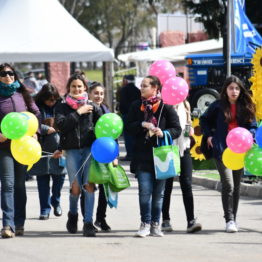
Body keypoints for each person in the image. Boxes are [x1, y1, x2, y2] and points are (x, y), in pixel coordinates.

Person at [126, 75, 182, 237]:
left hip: (161, 156)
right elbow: (128, 127)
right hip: (142, 155)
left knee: (159, 194)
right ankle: (145, 222)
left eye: (145, 85)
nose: (141, 88)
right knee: (144, 191)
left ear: (155, 88)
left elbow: (177, 129)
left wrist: (163, 132)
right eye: (141, 85)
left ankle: (156, 224)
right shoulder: (136, 106)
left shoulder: (166, 107)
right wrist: (142, 124)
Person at [200, 75, 257, 233]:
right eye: (231, 88)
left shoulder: (246, 106)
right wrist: (209, 135)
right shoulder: (217, 106)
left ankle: (234, 219)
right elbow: (204, 120)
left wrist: (250, 135)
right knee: (229, 184)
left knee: (237, 187)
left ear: (241, 90)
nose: (234, 91)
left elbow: (253, 126)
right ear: (225, 90)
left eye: (237, 88)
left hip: (239, 151)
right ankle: (229, 219)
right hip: (221, 149)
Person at [55, 73, 102, 237]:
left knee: (89, 186)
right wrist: (78, 112)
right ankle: (73, 214)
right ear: (69, 88)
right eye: (74, 86)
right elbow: (61, 126)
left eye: (80, 86)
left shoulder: (93, 107)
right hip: (72, 150)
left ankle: (88, 222)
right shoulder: (61, 106)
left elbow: (103, 128)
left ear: (85, 88)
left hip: (89, 150)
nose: (77, 89)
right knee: (75, 188)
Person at [0, 63, 41, 238]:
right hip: (4, 148)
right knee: (8, 185)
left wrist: (36, 133)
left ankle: (19, 223)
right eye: (3, 73)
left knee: (19, 185)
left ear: (15, 75)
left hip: (23, 147)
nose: (8, 76)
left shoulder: (22, 94)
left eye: (10, 73)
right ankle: (7, 225)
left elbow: (36, 114)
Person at [161, 100, 202, 233]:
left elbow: (188, 127)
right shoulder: (164, 105)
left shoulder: (186, 104)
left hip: (184, 148)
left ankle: (190, 220)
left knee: (187, 184)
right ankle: (165, 220)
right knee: (167, 185)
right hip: (168, 148)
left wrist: (189, 123)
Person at [29, 83, 66, 220]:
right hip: (41, 150)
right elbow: (31, 122)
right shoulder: (35, 107)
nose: (52, 102)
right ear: (43, 98)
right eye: (49, 99)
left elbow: (67, 122)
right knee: (42, 181)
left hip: (59, 149)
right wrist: (45, 129)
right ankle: (44, 209)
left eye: (54, 99)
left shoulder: (61, 106)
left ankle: (55, 201)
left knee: (59, 179)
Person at [88, 81, 118, 232]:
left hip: (105, 153)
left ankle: (101, 218)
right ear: (90, 94)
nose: (99, 96)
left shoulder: (106, 110)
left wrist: (115, 155)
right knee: (89, 187)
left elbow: (114, 133)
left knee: (104, 187)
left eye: (101, 93)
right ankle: (87, 220)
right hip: (89, 153)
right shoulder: (87, 109)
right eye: (96, 93)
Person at [119, 74, 141, 161]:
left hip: (126, 115)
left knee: (127, 136)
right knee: (134, 136)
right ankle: (135, 154)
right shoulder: (137, 90)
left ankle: (129, 154)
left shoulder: (124, 90)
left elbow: (122, 104)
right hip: (136, 116)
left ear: (126, 81)